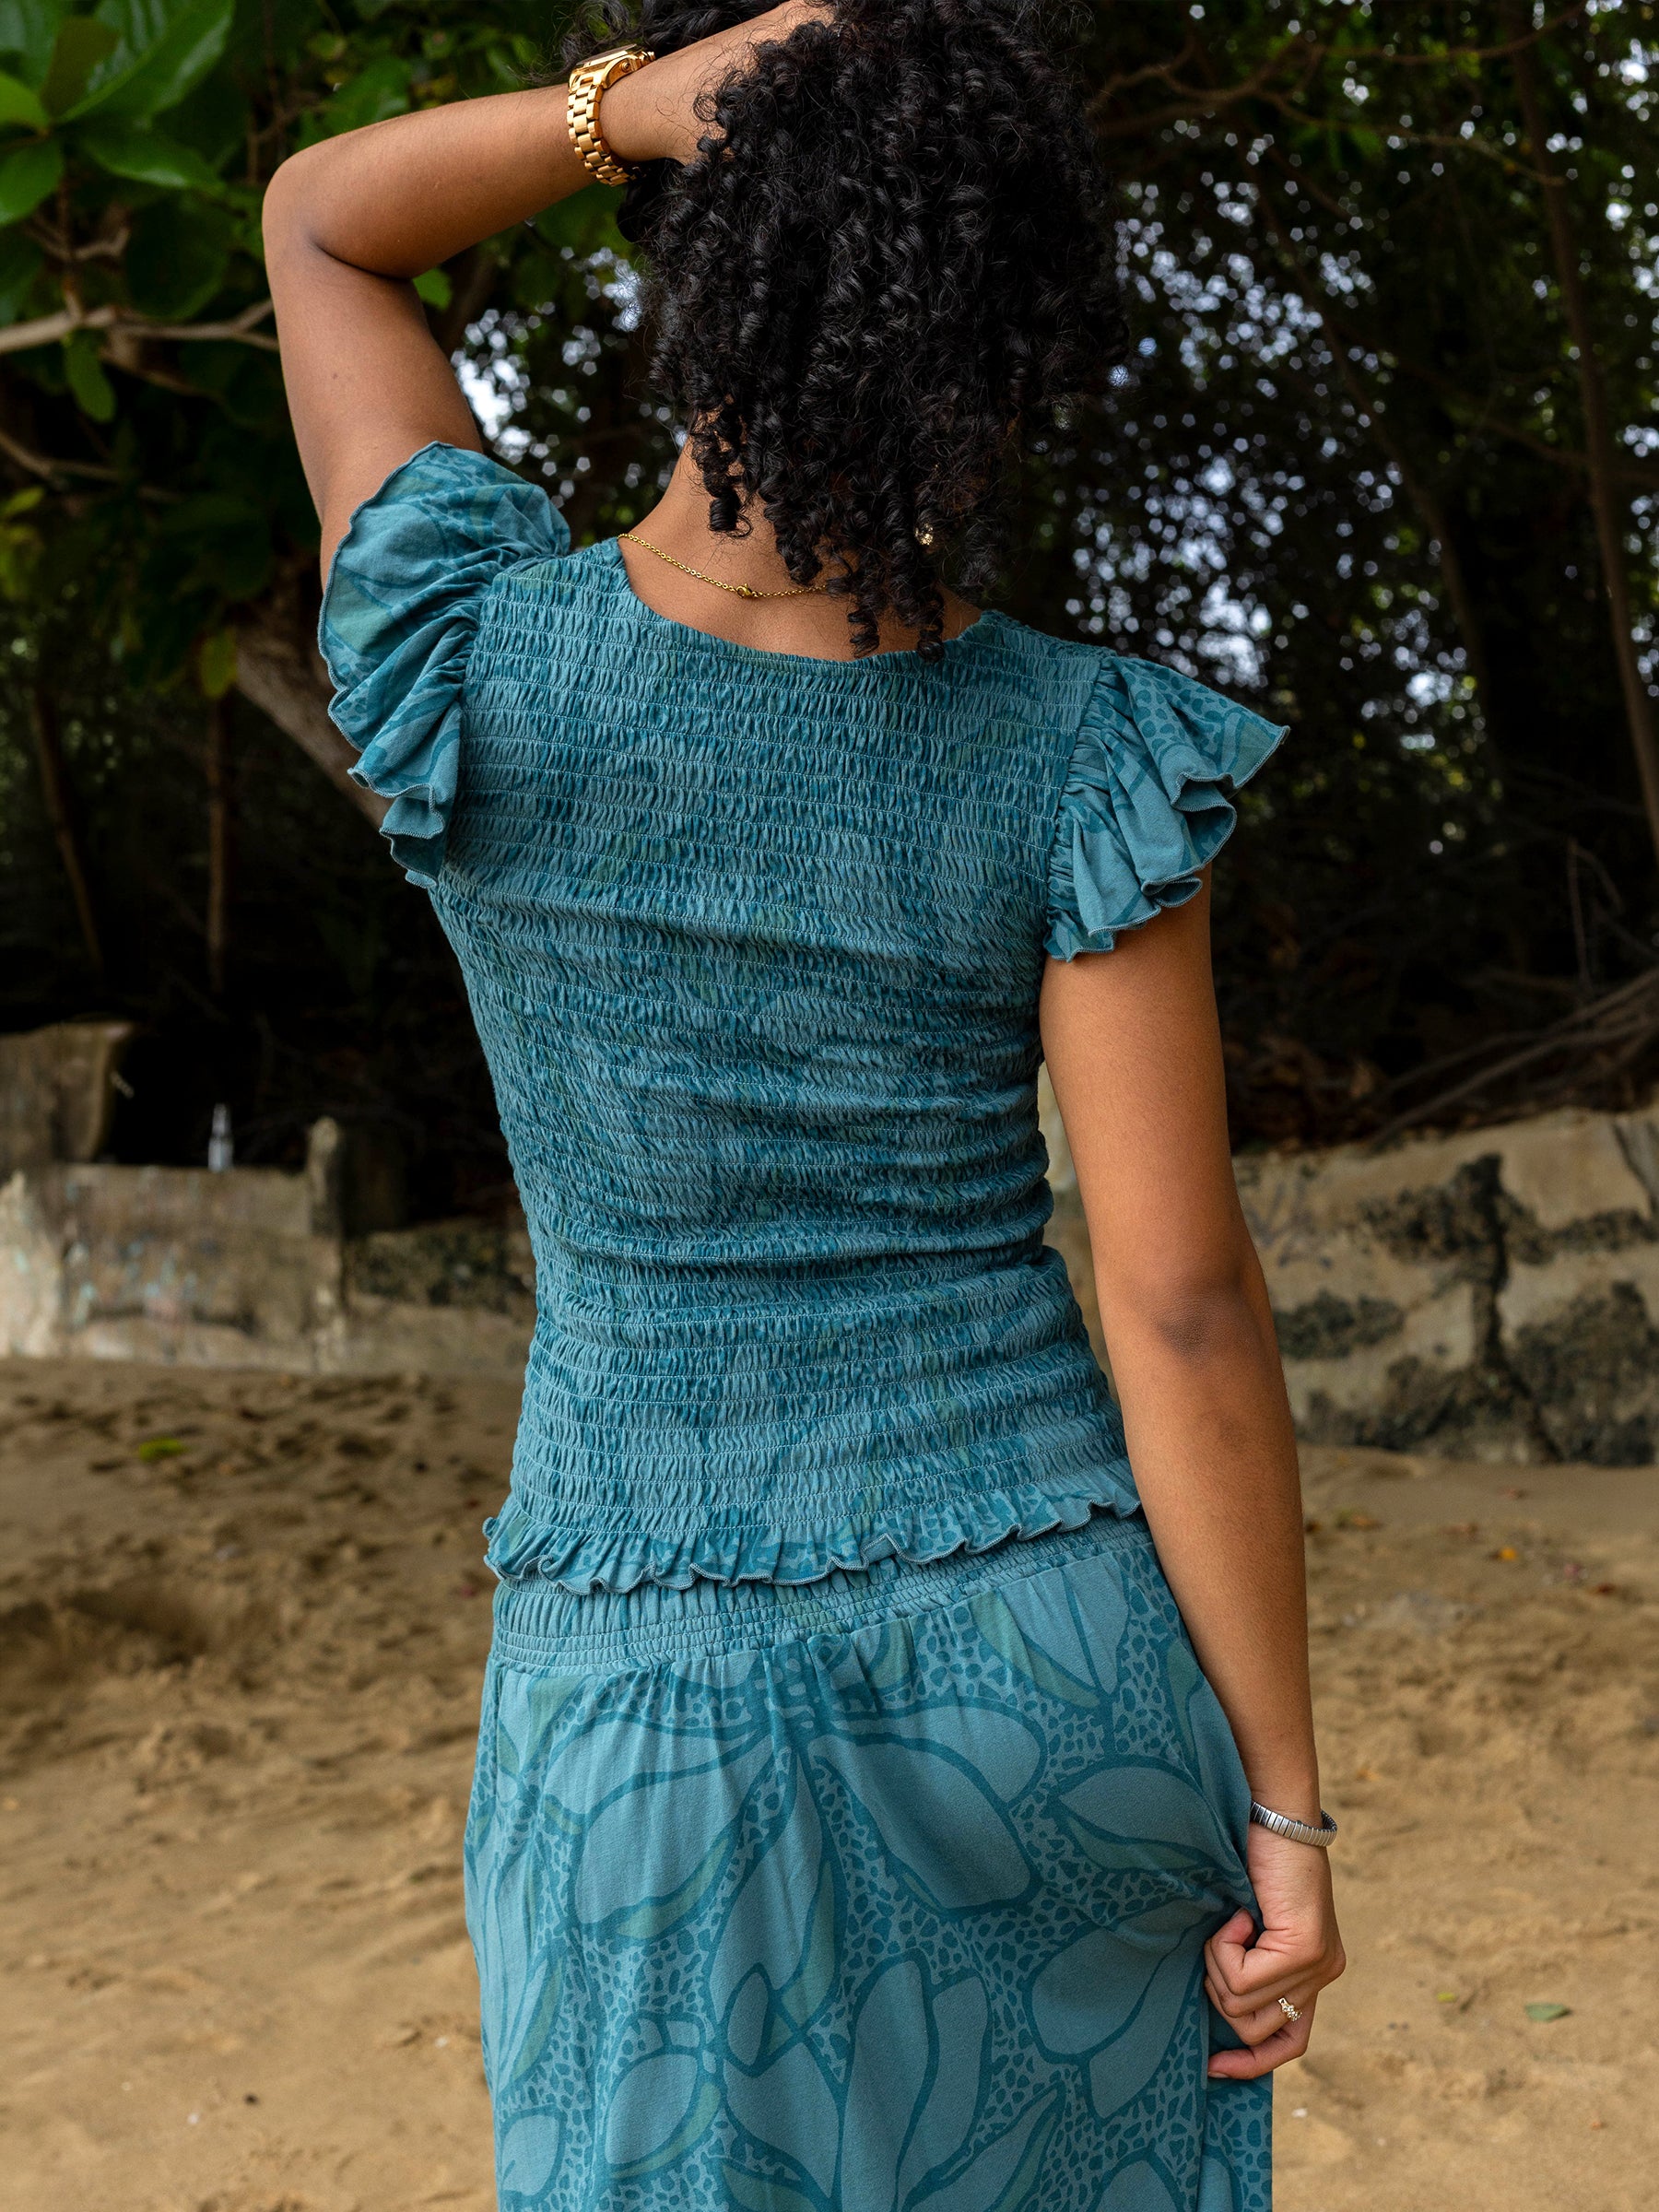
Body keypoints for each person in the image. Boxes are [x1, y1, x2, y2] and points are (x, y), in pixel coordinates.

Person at [265, 4, 1345, 2205]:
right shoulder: (1082, 753)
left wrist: (640, 107)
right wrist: (1291, 1810)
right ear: (1010, 350)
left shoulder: (466, 665)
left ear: (700, 283)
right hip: (1041, 1667)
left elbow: (319, 227)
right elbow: (1178, 1308)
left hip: (645, 1695)